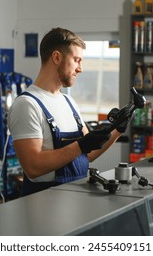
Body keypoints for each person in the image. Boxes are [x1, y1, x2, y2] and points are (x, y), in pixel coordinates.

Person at [7, 27, 131, 196]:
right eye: (76, 60)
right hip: (43, 205)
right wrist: (80, 145)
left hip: (76, 199)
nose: (80, 68)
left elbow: (89, 154)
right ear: (56, 57)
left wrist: (117, 130)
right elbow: (33, 167)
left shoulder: (68, 102)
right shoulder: (27, 104)